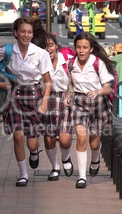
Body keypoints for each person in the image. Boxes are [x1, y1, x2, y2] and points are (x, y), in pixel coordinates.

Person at [0, 17, 52, 187]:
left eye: (29, 32)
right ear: (15, 33)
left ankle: (34, 152)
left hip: (35, 95)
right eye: (23, 32)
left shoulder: (40, 53)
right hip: (15, 94)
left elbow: (48, 80)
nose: (26, 35)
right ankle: (23, 174)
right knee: (18, 136)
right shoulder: (7, 50)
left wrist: (45, 102)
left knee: (31, 142)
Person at [62, 32, 115, 188]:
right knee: (81, 137)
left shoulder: (98, 63)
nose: (81, 50)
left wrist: (97, 92)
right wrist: (67, 95)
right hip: (79, 102)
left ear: (91, 49)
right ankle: (82, 177)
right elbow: (71, 84)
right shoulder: (70, 64)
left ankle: (96, 157)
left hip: (97, 102)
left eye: (85, 47)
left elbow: (108, 89)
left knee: (94, 143)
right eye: (78, 47)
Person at [42, 33, 74, 181]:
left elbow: (75, 78)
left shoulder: (67, 59)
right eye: (44, 46)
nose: (48, 49)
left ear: (56, 46)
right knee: (49, 138)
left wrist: (69, 95)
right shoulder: (39, 62)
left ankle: (66, 158)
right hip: (48, 99)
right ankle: (55, 167)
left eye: (50, 45)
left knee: (65, 139)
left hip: (66, 97)